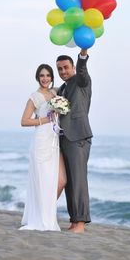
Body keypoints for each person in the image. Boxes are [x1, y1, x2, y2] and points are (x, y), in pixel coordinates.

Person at [19, 64, 66, 231]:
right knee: (42, 180)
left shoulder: (56, 93)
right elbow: (24, 121)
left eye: (48, 75)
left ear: (52, 77)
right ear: (38, 78)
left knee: (57, 180)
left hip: (54, 140)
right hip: (41, 141)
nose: (45, 78)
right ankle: (40, 218)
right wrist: (45, 120)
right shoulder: (35, 97)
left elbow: (70, 86)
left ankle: (47, 215)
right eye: (42, 76)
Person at [56, 49, 93, 233]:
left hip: (79, 137)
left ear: (72, 67)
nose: (63, 71)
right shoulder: (62, 88)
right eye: (60, 69)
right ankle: (74, 221)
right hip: (64, 139)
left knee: (78, 181)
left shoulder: (80, 81)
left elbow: (82, 70)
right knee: (70, 183)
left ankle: (80, 224)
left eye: (65, 68)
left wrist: (83, 54)